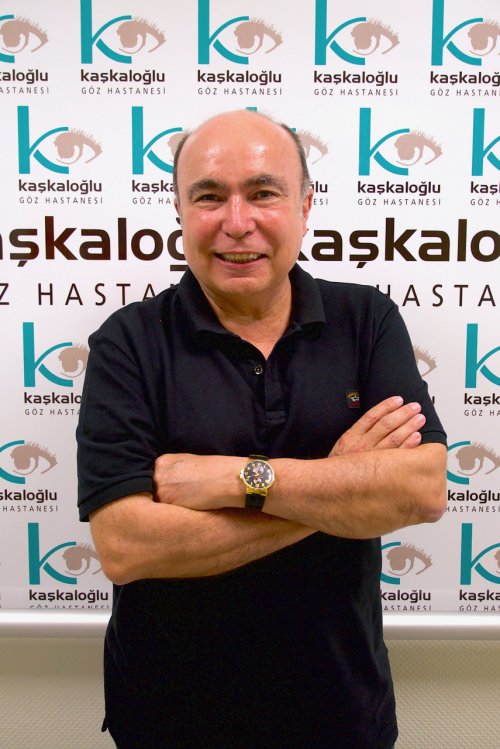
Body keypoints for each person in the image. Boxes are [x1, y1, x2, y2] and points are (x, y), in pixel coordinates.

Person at [77, 109, 447, 749]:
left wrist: (237, 480)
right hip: (169, 718)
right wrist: (340, 487)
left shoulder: (367, 320)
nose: (236, 222)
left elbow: (421, 490)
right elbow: (127, 547)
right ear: (179, 211)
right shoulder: (129, 342)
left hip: (340, 711)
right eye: (209, 197)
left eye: (263, 193)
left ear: (305, 206)